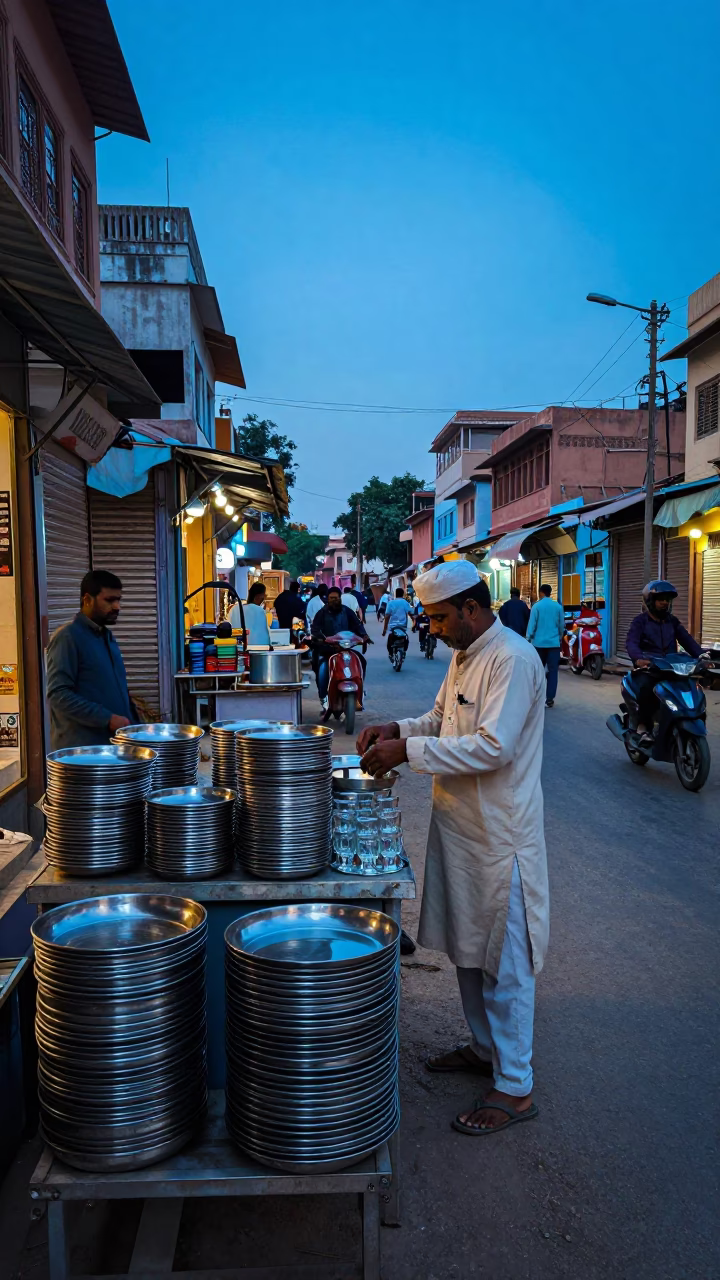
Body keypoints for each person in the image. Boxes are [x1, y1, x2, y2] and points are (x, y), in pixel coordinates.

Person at [358, 559, 548, 1137]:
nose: (433, 628)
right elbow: (442, 720)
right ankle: (484, 1048)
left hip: (500, 838)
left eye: (440, 618)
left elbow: (493, 747)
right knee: (469, 949)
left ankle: (514, 1086)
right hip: (461, 827)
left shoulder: (511, 658)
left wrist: (407, 756)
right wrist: (399, 730)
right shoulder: (465, 655)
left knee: (505, 963)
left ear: (471, 607)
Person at [45, 570, 138, 751]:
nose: (117, 606)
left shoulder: (107, 637)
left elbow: (118, 690)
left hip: (113, 749)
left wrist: (136, 726)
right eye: (110, 600)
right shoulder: (68, 637)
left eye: (119, 600)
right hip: (83, 754)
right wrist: (107, 719)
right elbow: (58, 694)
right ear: (87, 600)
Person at [626, 580, 705, 736]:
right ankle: (642, 723)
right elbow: (631, 643)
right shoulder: (640, 621)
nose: (664, 603)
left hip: (671, 667)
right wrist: (639, 658)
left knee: (691, 686)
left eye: (667, 600)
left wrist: (701, 654)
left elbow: (687, 640)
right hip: (650, 668)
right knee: (648, 688)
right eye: (660, 599)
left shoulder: (672, 621)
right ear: (650, 601)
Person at [311, 585, 372, 704]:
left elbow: (357, 625)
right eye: (331, 598)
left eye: (336, 598)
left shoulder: (347, 611)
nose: (334, 600)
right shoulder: (321, 613)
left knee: (362, 661)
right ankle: (323, 697)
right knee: (322, 669)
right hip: (327, 650)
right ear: (327, 599)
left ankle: (360, 689)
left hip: (345, 648)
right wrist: (318, 638)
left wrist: (364, 636)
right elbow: (315, 629)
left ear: (340, 598)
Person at [526, 583, 565, 708]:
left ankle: (536, 697)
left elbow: (532, 625)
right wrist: (558, 637)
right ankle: (550, 699)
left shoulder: (536, 606)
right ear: (550, 592)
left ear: (541, 592)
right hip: (554, 644)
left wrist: (528, 638)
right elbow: (561, 626)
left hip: (538, 644)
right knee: (553, 671)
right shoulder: (558, 607)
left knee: (538, 671)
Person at [229, 581, 271, 647]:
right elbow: (264, 635)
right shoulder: (259, 610)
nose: (263, 599)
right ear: (258, 596)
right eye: (263, 596)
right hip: (256, 649)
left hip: (237, 648)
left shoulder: (235, 609)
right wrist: (269, 646)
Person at [382, 587, 413, 657]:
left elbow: (387, 616)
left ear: (395, 594)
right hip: (403, 627)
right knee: (406, 639)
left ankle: (390, 654)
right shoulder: (405, 603)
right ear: (403, 594)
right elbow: (411, 613)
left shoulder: (390, 603)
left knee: (389, 641)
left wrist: (384, 629)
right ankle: (404, 652)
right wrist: (414, 624)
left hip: (393, 627)